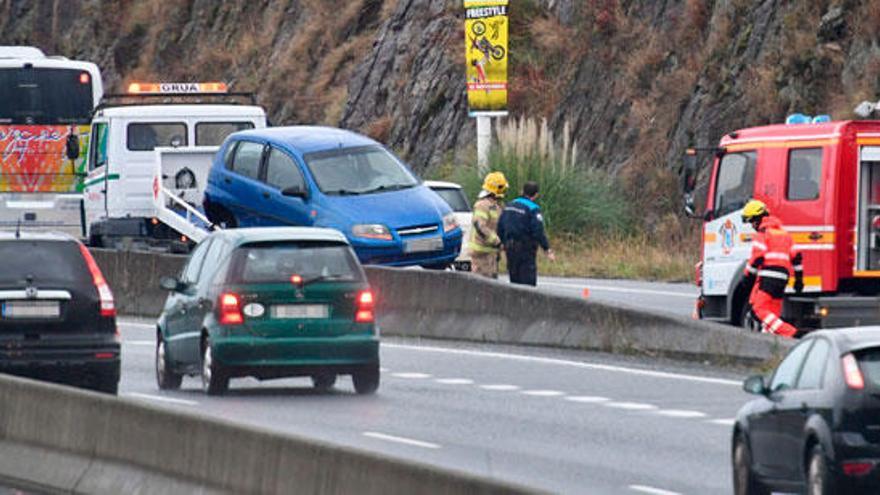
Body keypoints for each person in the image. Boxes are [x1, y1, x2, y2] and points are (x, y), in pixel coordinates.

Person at [741, 199, 803, 338]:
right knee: (772, 314)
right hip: (783, 278)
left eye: (751, 221)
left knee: (759, 309)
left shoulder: (763, 233)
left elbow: (757, 257)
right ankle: (771, 343)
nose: (752, 225)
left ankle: (792, 333)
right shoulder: (784, 234)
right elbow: (797, 257)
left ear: (758, 218)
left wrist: (747, 276)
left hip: (768, 277)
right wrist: (799, 279)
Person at [497, 181, 555, 286]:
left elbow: (500, 225)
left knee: (514, 281)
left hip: (510, 248)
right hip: (525, 250)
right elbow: (538, 231)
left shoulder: (509, 205)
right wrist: (547, 249)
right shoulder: (533, 209)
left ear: (522, 191)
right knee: (527, 283)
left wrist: (502, 242)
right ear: (536, 194)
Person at [469, 171, 508, 278]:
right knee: (483, 287)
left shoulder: (496, 205)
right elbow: (480, 227)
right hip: (481, 253)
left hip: (491, 253)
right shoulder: (482, 205)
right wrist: (497, 241)